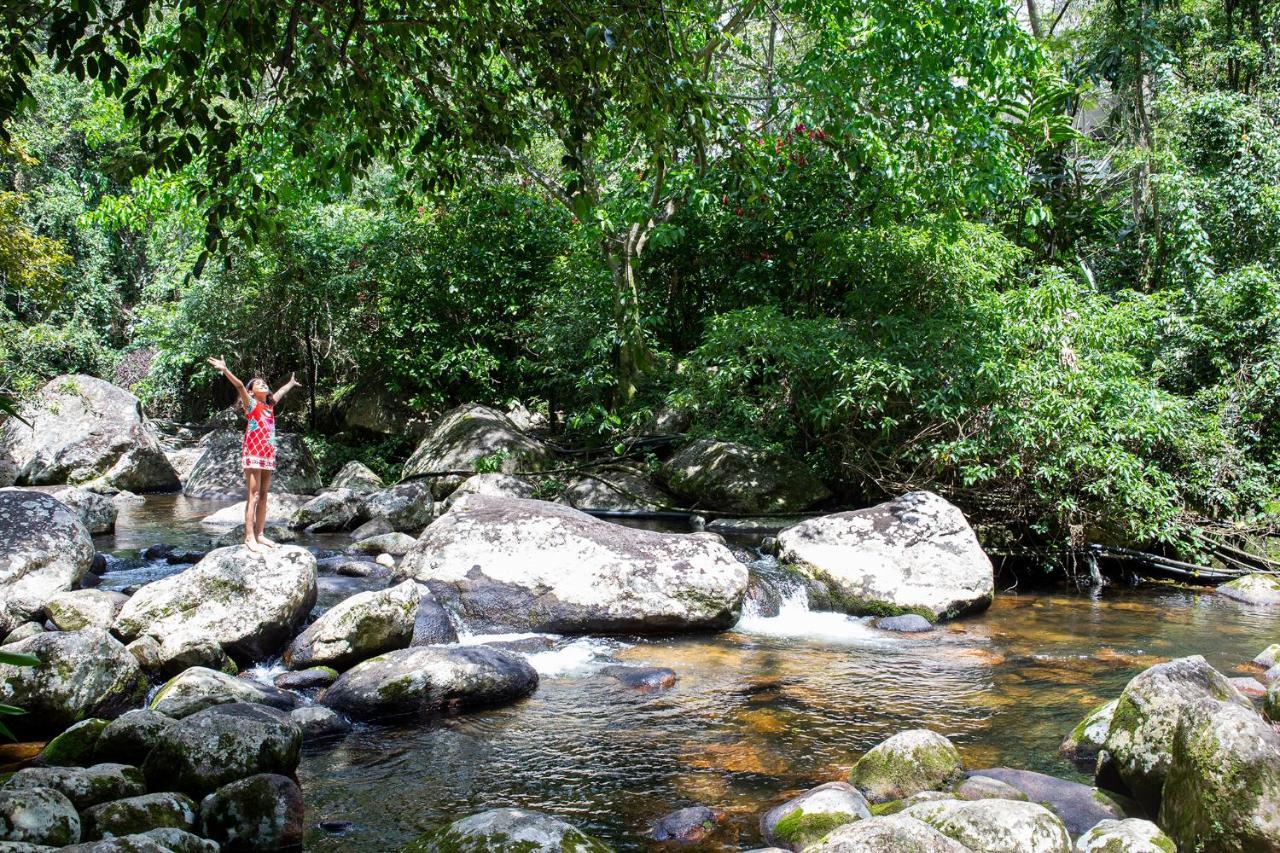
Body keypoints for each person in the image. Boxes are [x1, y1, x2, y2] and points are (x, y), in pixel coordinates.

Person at [206, 357, 302, 553]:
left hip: (268, 452)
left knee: (265, 495)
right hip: (253, 452)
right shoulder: (251, 405)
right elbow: (240, 385)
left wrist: (290, 384)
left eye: (264, 383)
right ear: (251, 393)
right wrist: (225, 369)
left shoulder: (269, 407)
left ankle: (260, 534)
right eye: (258, 384)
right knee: (254, 495)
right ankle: (249, 537)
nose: (263, 384)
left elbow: (280, 393)